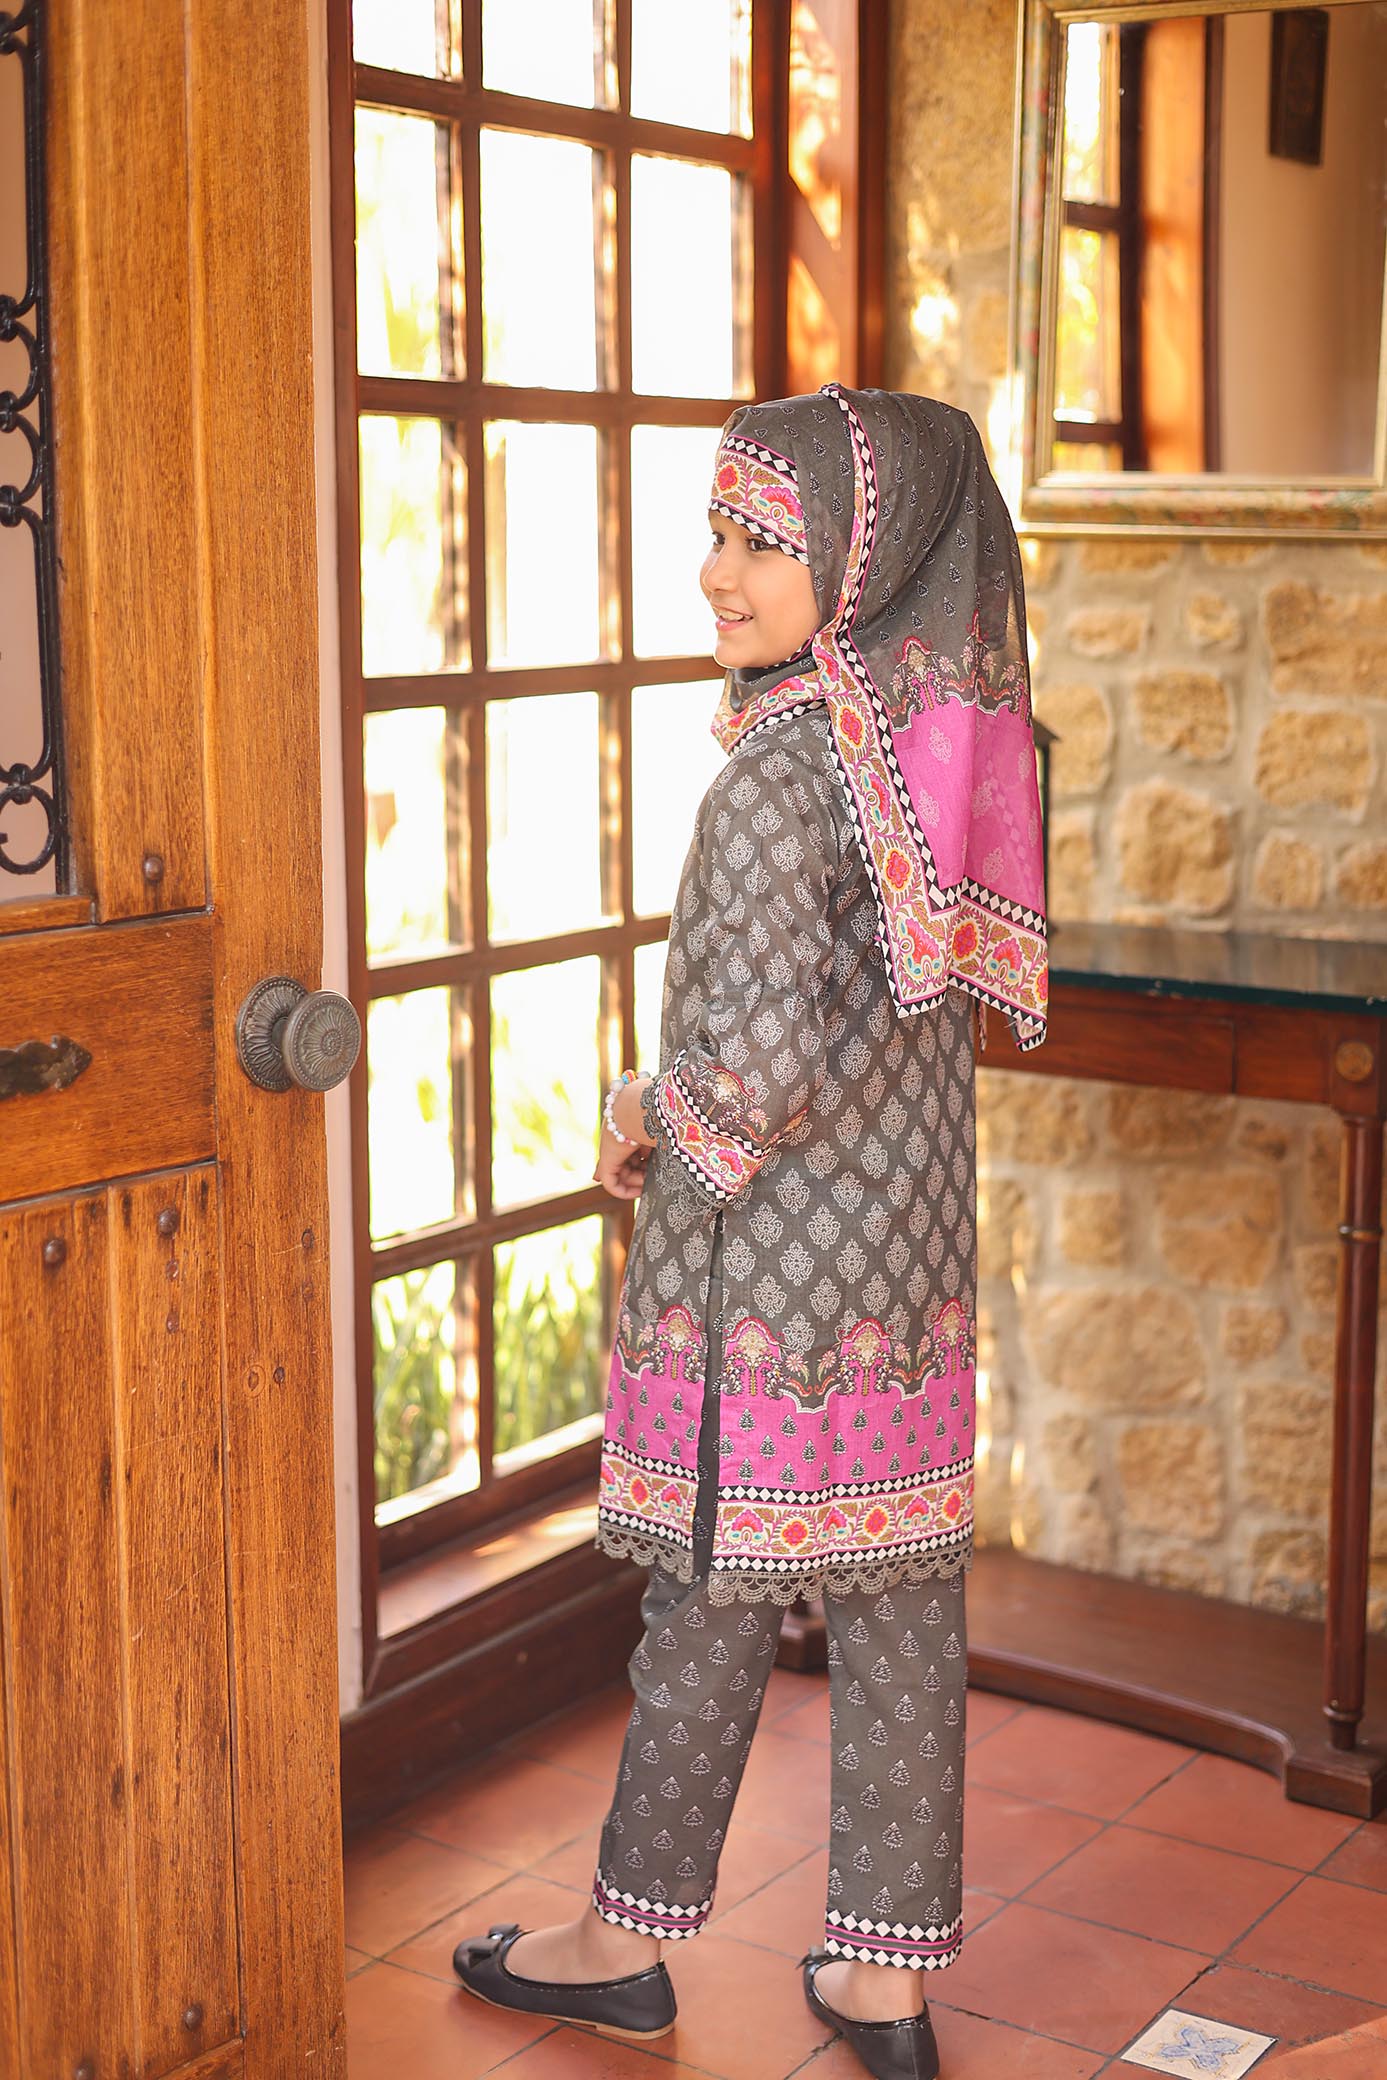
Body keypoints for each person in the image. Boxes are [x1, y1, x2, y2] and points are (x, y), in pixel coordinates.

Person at [453, 385, 1047, 2080]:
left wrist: (644, 1119)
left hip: (772, 1304)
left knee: (708, 1605)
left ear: (863, 560)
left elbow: (752, 1077)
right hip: (905, 1293)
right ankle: (883, 1985)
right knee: (903, 1616)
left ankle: (619, 1944)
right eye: (720, 529)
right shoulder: (932, 759)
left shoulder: (787, 780)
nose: (716, 571)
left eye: (762, 543)